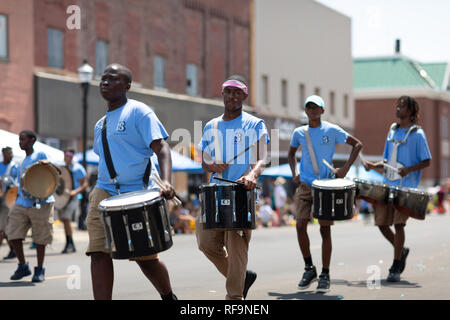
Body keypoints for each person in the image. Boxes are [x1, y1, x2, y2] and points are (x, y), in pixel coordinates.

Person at [85, 63, 178, 300]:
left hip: (138, 193)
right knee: (98, 252)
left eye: (112, 79)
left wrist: (166, 182)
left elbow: (162, 148)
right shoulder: (100, 125)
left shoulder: (139, 112)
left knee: (145, 258)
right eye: (103, 79)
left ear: (127, 86)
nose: (105, 82)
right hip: (104, 192)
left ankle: (168, 297)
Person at [197, 75, 269, 300]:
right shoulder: (211, 126)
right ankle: (241, 278)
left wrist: (252, 174)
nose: (232, 96)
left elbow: (262, 157)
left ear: (244, 96)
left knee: (237, 250)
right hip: (214, 193)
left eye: (237, 92)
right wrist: (212, 164)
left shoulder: (255, 124)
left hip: (241, 193)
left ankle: (234, 299)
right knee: (205, 243)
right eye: (228, 91)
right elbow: (204, 161)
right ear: (222, 94)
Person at [287, 95, 362, 293]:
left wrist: (345, 169)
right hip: (304, 185)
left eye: (316, 107)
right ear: (305, 111)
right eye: (309, 107)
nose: (312, 111)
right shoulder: (299, 132)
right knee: (300, 225)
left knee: (324, 230)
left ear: (322, 110)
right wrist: (294, 172)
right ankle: (309, 267)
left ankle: (325, 274)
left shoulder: (332, 130)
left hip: (325, 186)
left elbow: (357, 145)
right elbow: (290, 153)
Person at [363, 95, 431, 282]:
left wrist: (408, 170)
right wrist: (373, 165)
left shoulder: (418, 134)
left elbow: (427, 161)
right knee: (382, 224)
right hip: (388, 183)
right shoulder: (392, 131)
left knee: (399, 224)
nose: (398, 109)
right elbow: (386, 161)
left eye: (402, 106)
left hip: (406, 187)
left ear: (411, 111)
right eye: (397, 106)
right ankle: (401, 251)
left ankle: (395, 265)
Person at [6, 130, 56, 282]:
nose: (20, 142)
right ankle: (22, 266)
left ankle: (39, 270)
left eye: (23, 139)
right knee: (12, 234)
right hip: (22, 202)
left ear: (32, 140)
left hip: (41, 203)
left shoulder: (40, 155)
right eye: (19, 140)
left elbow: (55, 173)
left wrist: (49, 165)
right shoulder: (21, 160)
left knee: (40, 237)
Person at [55, 148, 88, 254]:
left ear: (72, 156)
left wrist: (75, 192)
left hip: (73, 198)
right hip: (63, 198)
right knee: (65, 221)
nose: (67, 157)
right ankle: (70, 243)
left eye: (69, 155)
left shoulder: (78, 168)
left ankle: (69, 243)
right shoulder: (61, 168)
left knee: (66, 219)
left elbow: (85, 184)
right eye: (65, 155)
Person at [0, 147, 19, 259]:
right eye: (7, 153)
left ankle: (14, 250)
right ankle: (13, 250)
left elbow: (17, 184)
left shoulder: (14, 166)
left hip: (8, 200)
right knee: (6, 230)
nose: (10, 155)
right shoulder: (0, 165)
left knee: (2, 228)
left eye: (11, 153)